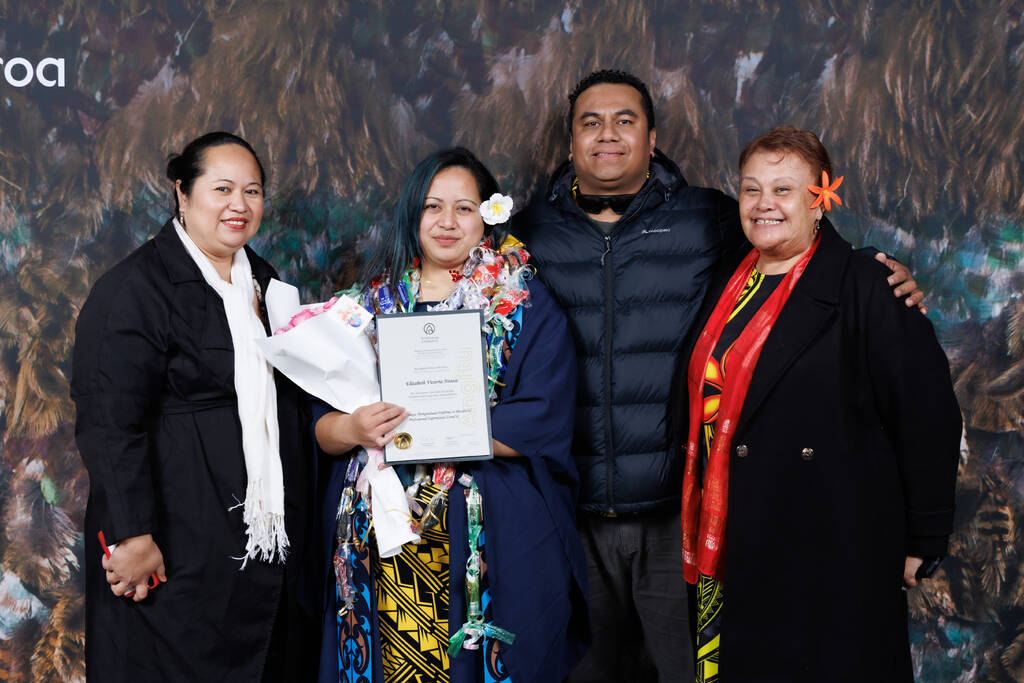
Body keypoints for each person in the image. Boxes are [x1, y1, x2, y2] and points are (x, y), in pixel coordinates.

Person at [514, 69, 925, 681]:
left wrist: (870, 271)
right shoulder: (524, 234)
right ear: (569, 142)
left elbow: (792, 244)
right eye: (590, 122)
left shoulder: (709, 217)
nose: (608, 134)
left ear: (652, 138)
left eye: (625, 120)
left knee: (695, 671)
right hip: (566, 509)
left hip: (674, 511)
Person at [672, 125, 961, 682]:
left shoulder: (869, 284)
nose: (764, 205)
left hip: (832, 538)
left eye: (784, 190)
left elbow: (929, 414)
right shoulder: (730, 278)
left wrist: (925, 538)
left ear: (819, 199)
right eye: (751, 189)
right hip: (733, 531)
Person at [313, 147, 588, 683]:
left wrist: (450, 430)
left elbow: (544, 418)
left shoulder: (523, 304)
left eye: (465, 208)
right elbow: (321, 426)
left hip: (489, 532)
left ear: (488, 216)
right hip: (380, 539)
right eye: (433, 206)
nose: (446, 222)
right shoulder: (364, 309)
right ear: (412, 213)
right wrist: (352, 427)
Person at [72, 132, 315, 681]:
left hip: (254, 548)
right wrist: (133, 535)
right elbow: (110, 420)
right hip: (174, 539)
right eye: (222, 188)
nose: (240, 205)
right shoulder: (135, 288)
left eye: (252, 191)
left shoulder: (266, 282)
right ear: (182, 193)